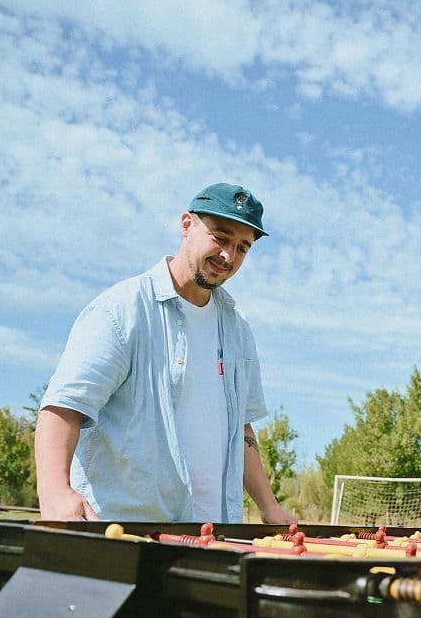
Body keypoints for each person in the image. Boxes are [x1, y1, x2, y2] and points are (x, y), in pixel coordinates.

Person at [35, 183, 296, 525]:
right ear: (186, 225)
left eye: (242, 248)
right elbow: (64, 406)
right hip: (127, 534)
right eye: (221, 237)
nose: (228, 256)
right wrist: (54, 492)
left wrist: (268, 505)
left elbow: (240, 428)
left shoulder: (238, 330)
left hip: (215, 535)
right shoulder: (122, 310)